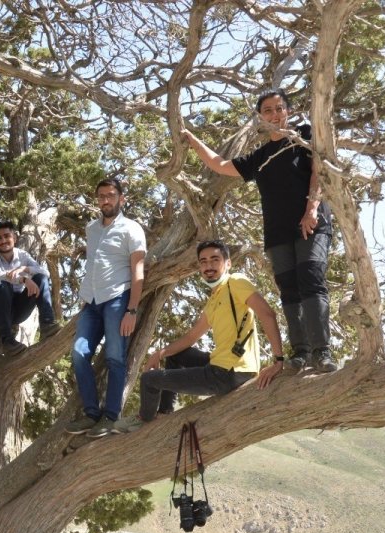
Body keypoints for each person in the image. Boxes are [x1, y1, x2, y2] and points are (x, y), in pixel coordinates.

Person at [181, 89, 338, 373]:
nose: (275, 114)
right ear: (260, 117)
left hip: (310, 223)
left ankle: (322, 352)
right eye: (268, 110)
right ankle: (300, 353)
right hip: (277, 233)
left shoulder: (305, 136)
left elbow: (319, 172)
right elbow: (220, 165)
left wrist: (312, 209)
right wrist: (192, 140)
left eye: (279, 108)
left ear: (287, 111)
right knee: (289, 290)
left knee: (311, 279)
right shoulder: (260, 157)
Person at [113, 240, 284, 433]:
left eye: (214, 260)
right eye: (203, 261)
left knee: (149, 379)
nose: (208, 266)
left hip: (228, 374)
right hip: (221, 365)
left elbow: (267, 314)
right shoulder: (215, 298)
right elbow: (191, 337)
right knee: (175, 355)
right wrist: (160, 354)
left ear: (228, 263)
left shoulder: (236, 282)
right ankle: (165, 411)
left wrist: (278, 360)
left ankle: (144, 420)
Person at [67, 177, 147, 439]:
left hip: (117, 299)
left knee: (115, 358)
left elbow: (138, 270)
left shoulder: (132, 229)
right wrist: (83, 299)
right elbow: (93, 265)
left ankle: (110, 416)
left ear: (121, 198)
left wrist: (132, 309)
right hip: (90, 303)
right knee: (79, 354)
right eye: (101, 195)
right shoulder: (92, 229)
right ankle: (91, 414)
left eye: (111, 195)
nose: (105, 200)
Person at [0, 221, 60, 354]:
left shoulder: (22, 255)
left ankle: (47, 323)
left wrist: (25, 268)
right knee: (3, 285)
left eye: (7, 236)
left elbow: (44, 272)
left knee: (40, 278)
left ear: (14, 238)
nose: (3, 240)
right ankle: (6, 340)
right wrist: (23, 279)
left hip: (16, 311)